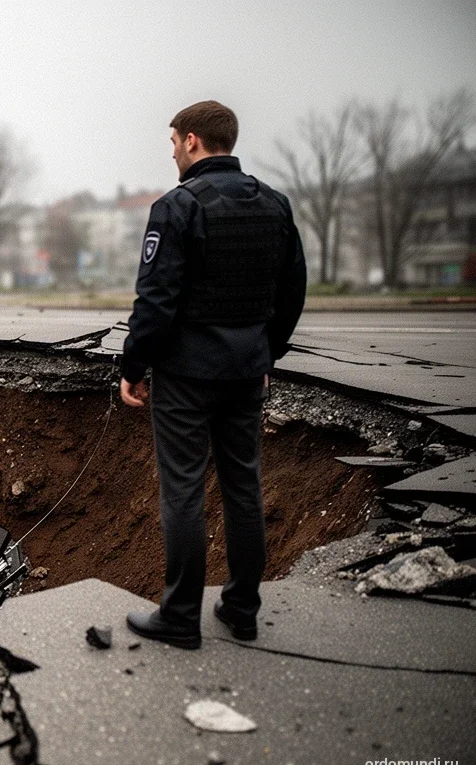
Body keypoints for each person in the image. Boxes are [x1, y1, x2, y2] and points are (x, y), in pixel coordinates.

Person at [119, 100, 307, 649]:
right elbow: (291, 291)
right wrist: (265, 354)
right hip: (247, 370)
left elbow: (155, 300)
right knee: (242, 485)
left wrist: (134, 366)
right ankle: (242, 608)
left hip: (187, 374)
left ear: (194, 140)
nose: (172, 151)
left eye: (174, 140)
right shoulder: (275, 205)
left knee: (182, 491)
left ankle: (180, 616)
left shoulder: (178, 207)